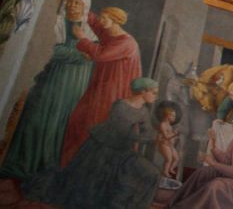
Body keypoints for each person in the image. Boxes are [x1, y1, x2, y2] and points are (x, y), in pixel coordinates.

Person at [0, 0, 96, 179]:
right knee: (37, 117)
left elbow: (94, 54)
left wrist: (81, 53)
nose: (72, 5)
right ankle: (23, 164)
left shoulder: (90, 30)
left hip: (75, 83)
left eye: (77, 3)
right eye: (70, 1)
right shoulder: (56, 22)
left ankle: (46, 168)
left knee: (61, 122)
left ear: (85, 7)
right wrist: (77, 55)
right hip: (50, 77)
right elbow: (50, 49)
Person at [25, 77, 161, 208]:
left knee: (146, 172)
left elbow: (147, 131)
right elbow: (120, 130)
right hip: (102, 146)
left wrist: (157, 136)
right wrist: (142, 137)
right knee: (89, 183)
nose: (156, 96)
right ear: (143, 91)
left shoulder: (144, 111)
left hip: (121, 149)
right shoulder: (120, 105)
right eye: (154, 92)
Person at [61, 6, 142, 165]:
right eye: (101, 17)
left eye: (105, 18)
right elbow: (97, 25)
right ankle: (71, 163)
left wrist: (82, 38)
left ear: (115, 21)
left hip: (113, 91)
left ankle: (85, 166)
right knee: (79, 120)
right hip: (103, 84)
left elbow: (101, 54)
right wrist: (84, 11)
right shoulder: (111, 34)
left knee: (94, 123)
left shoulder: (127, 43)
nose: (101, 20)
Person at [167, 111, 233, 209]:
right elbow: (227, 161)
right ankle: (174, 204)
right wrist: (213, 145)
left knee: (216, 185)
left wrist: (213, 163)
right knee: (203, 172)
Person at [156, 103, 181, 178]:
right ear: (167, 115)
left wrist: (175, 137)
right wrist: (174, 134)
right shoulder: (162, 124)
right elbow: (166, 136)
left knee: (176, 158)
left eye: (174, 116)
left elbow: (170, 136)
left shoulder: (169, 125)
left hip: (170, 144)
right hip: (164, 144)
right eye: (173, 116)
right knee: (169, 159)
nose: (174, 118)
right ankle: (165, 171)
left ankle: (171, 168)